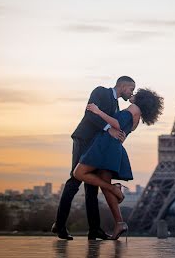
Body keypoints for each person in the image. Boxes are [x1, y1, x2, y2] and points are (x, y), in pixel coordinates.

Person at [51, 76, 136, 240]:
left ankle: (94, 229)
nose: (132, 92)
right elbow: (89, 112)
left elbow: (117, 123)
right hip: (84, 139)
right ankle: (59, 225)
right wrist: (108, 129)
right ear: (123, 85)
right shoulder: (100, 91)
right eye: (131, 89)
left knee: (92, 188)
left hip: (97, 145)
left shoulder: (117, 105)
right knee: (74, 180)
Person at [74, 88, 164, 240]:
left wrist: (98, 111)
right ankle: (119, 223)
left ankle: (114, 189)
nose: (133, 94)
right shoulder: (137, 117)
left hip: (105, 145)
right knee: (103, 182)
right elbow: (124, 130)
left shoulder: (133, 108)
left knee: (78, 173)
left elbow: (117, 124)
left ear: (141, 99)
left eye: (136, 93)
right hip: (114, 148)